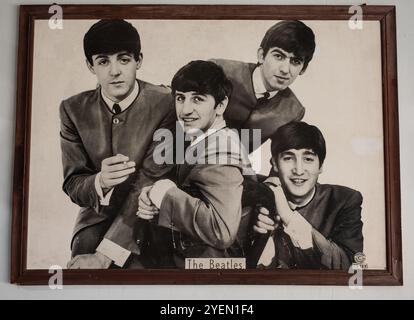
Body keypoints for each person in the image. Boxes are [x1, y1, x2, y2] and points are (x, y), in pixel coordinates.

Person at [60, 19, 175, 269]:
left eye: (124, 59)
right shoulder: (72, 110)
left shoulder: (166, 103)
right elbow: (73, 183)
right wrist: (99, 181)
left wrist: (106, 254)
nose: (114, 71)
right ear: (90, 66)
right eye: (103, 61)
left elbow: (151, 178)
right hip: (96, 220)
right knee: (80, 273)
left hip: (149, 218)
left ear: (139, 61)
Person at [136, 60, 255, 268]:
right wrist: (157, 199)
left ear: (221, 105)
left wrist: (164, 194)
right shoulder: (208, 138)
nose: (185, 110)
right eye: (180, 98)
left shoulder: (221, 152)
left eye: (198, 99)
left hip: (210, 271)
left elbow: (222, 231)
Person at [250, 121, 364, 270]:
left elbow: (350, 267)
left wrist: (288, 217)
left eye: (308, 159)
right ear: (275, 164)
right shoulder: (256, 191)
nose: (298, 170)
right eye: (288, 158)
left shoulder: (345, 200)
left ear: (321, 165)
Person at [211, 20, 315, 150]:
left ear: (303, 69)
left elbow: (282, 158)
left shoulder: (293, 112)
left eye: (295, 61)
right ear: (261, 55)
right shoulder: (220, 70)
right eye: (278, 56)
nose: (285, 69)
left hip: (231, 167)